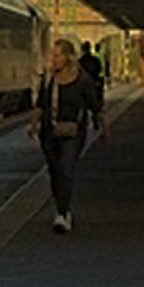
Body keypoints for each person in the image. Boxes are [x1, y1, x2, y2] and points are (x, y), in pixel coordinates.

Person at [35, 36, 107, 232]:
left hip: (73, 132)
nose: (54, 59)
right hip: (49, 132)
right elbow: (41, 104)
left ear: (68, 56)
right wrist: (33, 124)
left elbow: (94, 104)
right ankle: (62, 208)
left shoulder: (82, 79)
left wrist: (102, 126)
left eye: (57, 55)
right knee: (55, 172)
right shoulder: (48, 78)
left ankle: (62, 213)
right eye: (52, 55)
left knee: (66, 170)